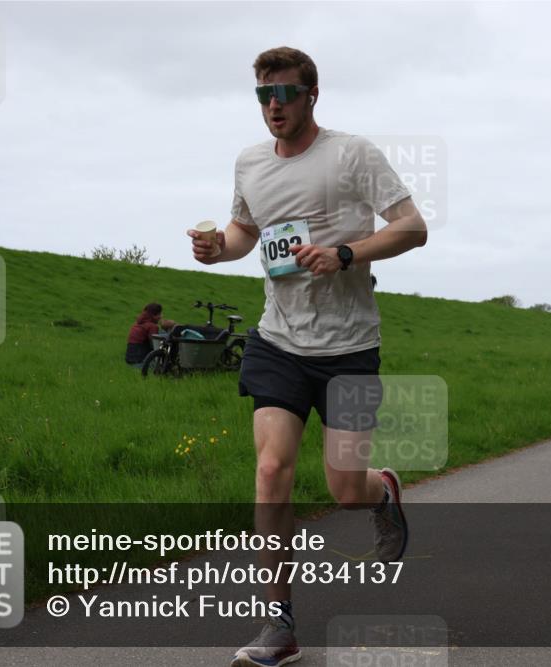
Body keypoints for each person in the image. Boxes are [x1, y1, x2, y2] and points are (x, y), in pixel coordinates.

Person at [188, 47, 427, 667]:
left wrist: (346, 253)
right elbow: (248, 232)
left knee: (344, 488)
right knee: (271, 471)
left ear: (312, 95)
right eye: (264, 95)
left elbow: (412, 226)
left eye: (286, 94)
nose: (274, 106)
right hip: (278, 342)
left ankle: (381, 495)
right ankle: (279, 625)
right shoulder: (248, 163)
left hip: (350, 346)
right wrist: (219, 248)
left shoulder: (352, 154)